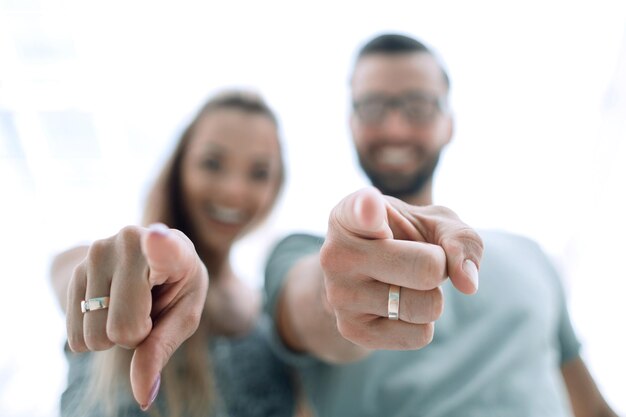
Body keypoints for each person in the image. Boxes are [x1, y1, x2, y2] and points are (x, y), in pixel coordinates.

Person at [263, 34, 619, 416]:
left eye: (418, 107)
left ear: (449, 123)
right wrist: (336, 295)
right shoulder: (304, 252)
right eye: (373, 108)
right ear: (351, 123)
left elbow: (592, 407)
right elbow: (311, 304)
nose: (395, 128)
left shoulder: (530, 254)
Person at [51, 90, 297, 417]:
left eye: (258, 172)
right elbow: (71, 272)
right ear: (180, 167)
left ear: (276, 187)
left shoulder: (269, 315)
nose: (234, 190)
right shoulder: (111, 263)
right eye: (213, 163)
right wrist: (139, 261)